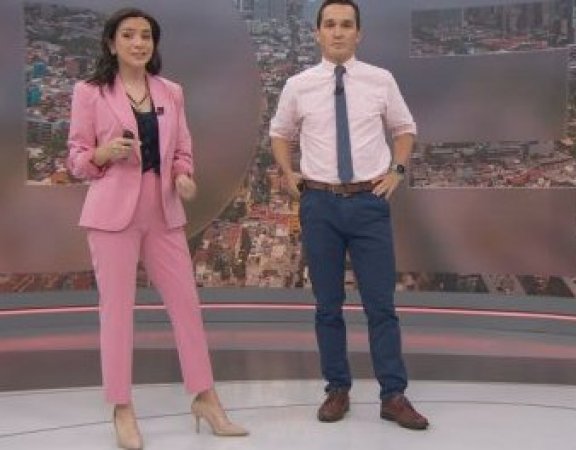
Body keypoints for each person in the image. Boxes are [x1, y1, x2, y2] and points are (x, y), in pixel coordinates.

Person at [67, 8, 248, 449]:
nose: (138, 43)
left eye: (145, 35)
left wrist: (183, 176)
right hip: (112, 214)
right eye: (128, 35)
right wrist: (103, 154)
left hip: (163, 211)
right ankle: (121, 408)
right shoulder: (89, 93)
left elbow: (182, 150)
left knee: (186, 306)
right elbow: (76, 160)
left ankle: (205, 398)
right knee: (117, 311)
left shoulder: (171, 92)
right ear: (111, 43)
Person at [270, 0, 429, 430]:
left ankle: (393, 395)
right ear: (317, 33)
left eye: (345, 25)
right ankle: (337, 389)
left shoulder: (381, 79)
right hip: (319, 204)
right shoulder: (298, 85)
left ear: (359, 33)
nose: (337, 32)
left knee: (381, 306)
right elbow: (280, 133)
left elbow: (405, 129)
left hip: (368, 204)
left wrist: (397, 171)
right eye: (330, 25)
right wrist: (288, 172)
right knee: (327, 306)